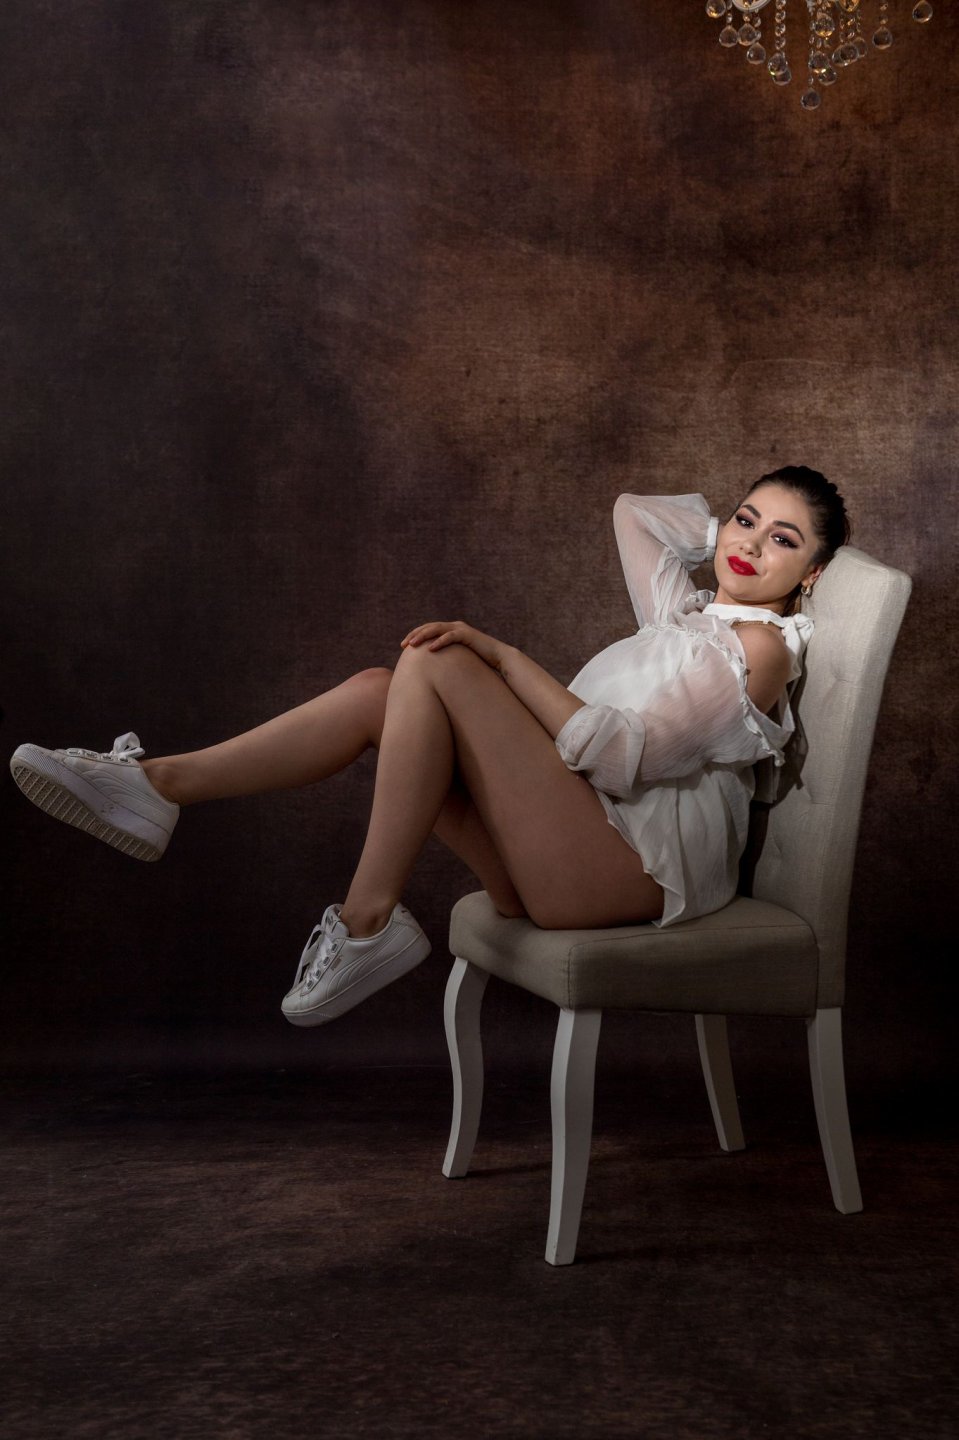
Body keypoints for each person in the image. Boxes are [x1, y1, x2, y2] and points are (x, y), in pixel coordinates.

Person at [10, 465, 849, 1028]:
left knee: (439, 659)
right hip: (567, 848)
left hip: (627, 872)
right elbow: (633, 512)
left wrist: (505, 657)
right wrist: (721, 534)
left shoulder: (759, 650)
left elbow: (617, 757)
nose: (748, 544)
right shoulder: (686, 617)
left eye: (782, 540)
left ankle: (365, 918)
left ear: (812, 573)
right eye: (746, 520)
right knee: (379, 691)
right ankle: (158, 785)